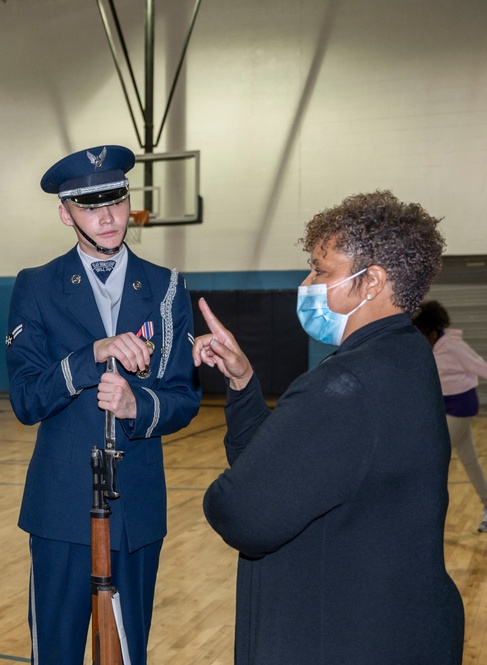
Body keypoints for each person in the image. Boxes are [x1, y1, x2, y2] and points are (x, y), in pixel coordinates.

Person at [195, 191, 465, 664]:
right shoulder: (406, 355)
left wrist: (223, 494)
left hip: (337, 637)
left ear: (371, 282)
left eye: (322, 270)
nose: (308, 282)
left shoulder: (345, 384)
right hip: (393, 627)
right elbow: (289, 468)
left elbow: (244, 513)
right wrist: (243, 383)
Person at [6, 145, 201, 664]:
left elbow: (184, 396)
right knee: (55, 651)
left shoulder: (165, 288)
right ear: (65, 212)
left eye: (117, 201)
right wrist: (88, 358)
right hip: (60, 505)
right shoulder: (37, 286)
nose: (110, 217)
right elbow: (26, 399)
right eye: (92, 206)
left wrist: (139, 406)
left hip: (136, 506)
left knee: (127, 651)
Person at [413, 300, 487, 533]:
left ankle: (422, 517)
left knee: (432, 459)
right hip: (444, 406)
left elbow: (481, 367)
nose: (422, 339)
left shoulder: (452, 346)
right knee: (469, 461)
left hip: (461, 406)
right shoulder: (430, 346)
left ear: (434, 331)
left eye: (424, 334)